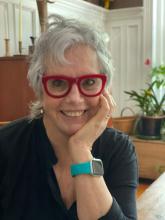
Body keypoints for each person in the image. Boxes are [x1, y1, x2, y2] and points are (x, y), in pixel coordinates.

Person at [0, 14, 138, 220]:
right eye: (58, 83)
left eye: (89, 82)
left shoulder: (118, 149)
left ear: (104, 89)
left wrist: (81, 150)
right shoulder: (5, 146)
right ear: (40, 89)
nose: (74, 98)